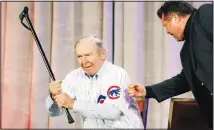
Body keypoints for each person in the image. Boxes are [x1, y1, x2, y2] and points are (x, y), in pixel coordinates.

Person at [128, 1, 213, 129]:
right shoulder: (186, 52)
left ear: (175, 18)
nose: (167, 31)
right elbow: (184, 81)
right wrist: (148, 91)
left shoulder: (205, 13)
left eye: (165, 25)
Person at [46, 36, 144, 128]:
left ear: (102, 54)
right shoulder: (74, 77)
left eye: (88, 55)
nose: (84, 61)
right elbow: (54, 112)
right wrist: (53, 96)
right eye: (80, 56)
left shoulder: (117, 74)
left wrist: (73, 104)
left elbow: (114, 111)